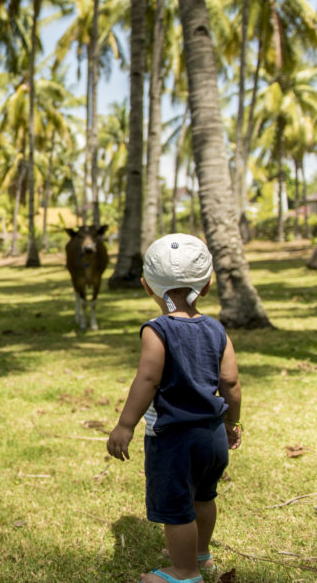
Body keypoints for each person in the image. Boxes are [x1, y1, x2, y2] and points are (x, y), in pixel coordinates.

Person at [106, 234, 242, 583]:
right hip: (211, 435)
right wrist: (232, 422)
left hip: (174, 437)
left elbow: (147, 381)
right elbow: (230, 383)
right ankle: (201, 555)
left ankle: (184, 573)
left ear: (146, 285)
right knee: (203, 497)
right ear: (208, 285)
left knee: (177, 508)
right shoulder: (216, 328)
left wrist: (125, 424)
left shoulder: (158, 330)